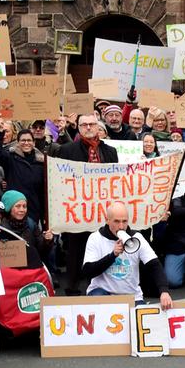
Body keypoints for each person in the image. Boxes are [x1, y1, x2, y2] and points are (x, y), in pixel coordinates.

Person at [52, 113, 118, 294]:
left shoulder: (110, 151)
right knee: (76, 247)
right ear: (79, 128)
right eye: (84, 125)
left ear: (98, 127)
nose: (88, 128)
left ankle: (99, 284)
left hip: (102, 207)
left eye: (92, 124)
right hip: (78, 207)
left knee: (101, 245)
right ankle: (73, 286)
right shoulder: (66, 150)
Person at [81, 202, 172, 308]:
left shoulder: (137, 237)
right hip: (102, 292)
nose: (121, 226)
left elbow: (154, 265)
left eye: (124, 221)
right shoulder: (96, 238)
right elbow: (88, 271)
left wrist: (164, 291)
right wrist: (112, 256)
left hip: (131, 296)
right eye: (116, 221)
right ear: (107, 220)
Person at [0, 189, 53, 269]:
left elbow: (41, 251)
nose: (22, 210)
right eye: (18, 206)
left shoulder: (31, 224)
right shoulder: (0, 228)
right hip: (10, 273)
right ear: (8, 208)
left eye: (24, 206)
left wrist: (47, 240)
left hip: (30, 271)